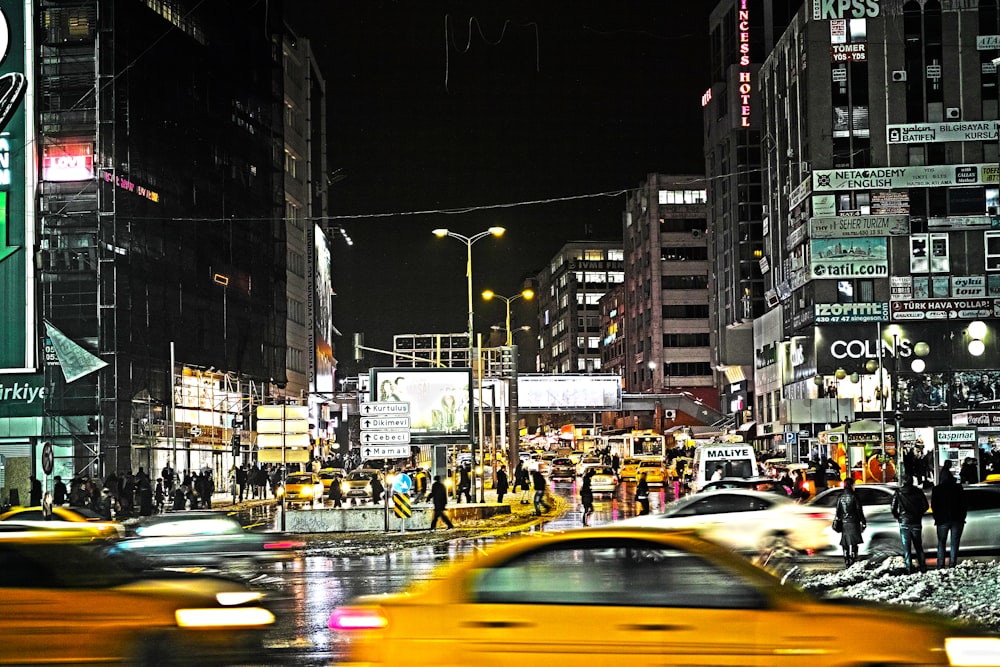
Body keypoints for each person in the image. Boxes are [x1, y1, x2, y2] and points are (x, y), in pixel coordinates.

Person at [931, 460, 966, 568]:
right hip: (957, 519)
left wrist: (936, 516)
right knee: (955, 543)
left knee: (941, 542)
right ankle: (952, 563)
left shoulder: (937, 490)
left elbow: (934, 505)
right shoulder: (958, 488)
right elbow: (963, 503)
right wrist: (962, 516)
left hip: (942, 519)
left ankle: (940, 564)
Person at [891, 476, 930, 574]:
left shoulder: (898, 492)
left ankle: (909, 568)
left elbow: (893, 508)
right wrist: (918, 514)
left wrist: (899, 517)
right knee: (918, 546)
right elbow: (925, 506)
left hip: (904, 522)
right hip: (916, 522)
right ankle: (923, 567)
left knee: (906, 548)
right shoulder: (918, 491)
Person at [834, 478, 866, 567]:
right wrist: (863, 521)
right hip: (854, 522)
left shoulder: (840, 497)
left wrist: (838, 520)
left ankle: (847, 561)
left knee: (845, 543)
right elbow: (859, 510)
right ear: (851, 485)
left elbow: (838, 511)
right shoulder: (855, 496)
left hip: (845, 523)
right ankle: (853, 559)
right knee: (854, 543)